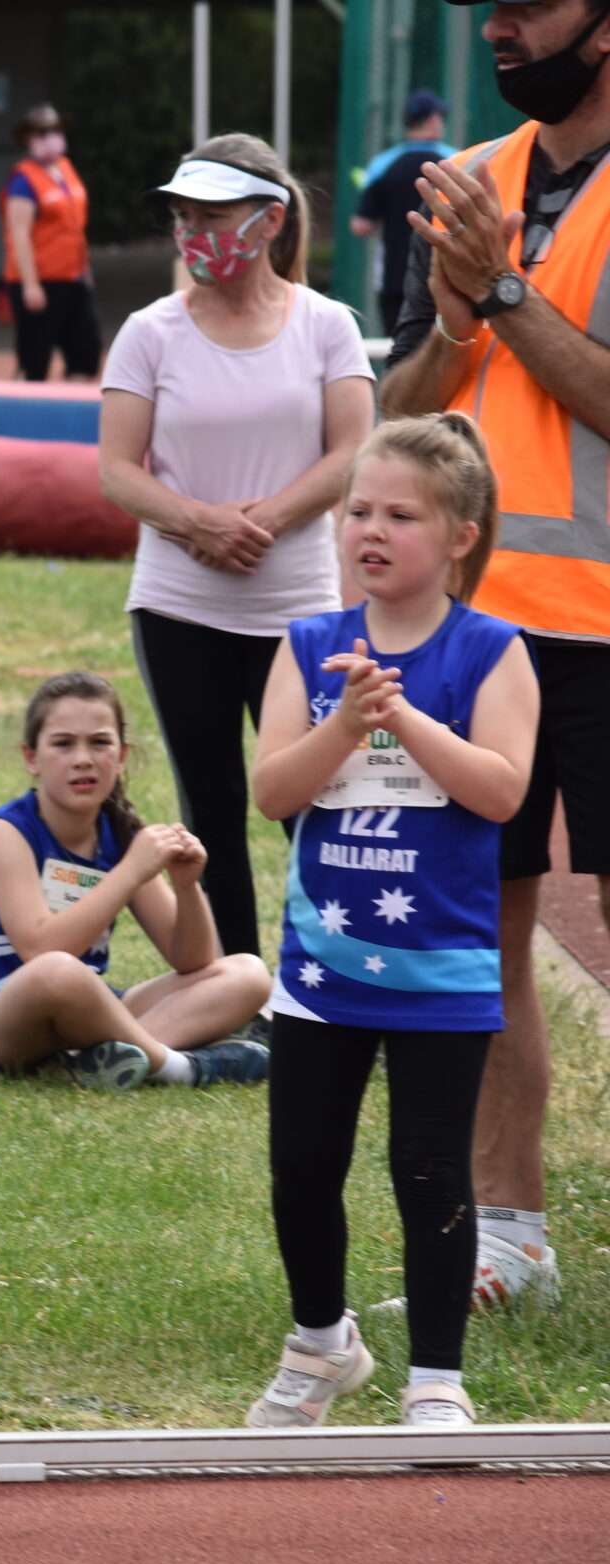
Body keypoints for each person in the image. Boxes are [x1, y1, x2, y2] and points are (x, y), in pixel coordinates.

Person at [379, 0, 610, 1311]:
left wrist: (507, 290)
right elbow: (402, 414)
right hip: (488, 631)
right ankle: (509, 1229)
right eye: (491, 12)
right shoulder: (467, 182)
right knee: (488, 936)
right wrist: (458, 320)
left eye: (530, 8)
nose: (503, 30)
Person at [245, 413, 536, 1429]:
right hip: (323, 972)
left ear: (458, 535)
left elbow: (501, 792)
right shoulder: (309, 647)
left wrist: (403, 716)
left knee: (427, 1168)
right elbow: (273, 792)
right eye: (356, 510)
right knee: (302, 1165)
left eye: (399, 515)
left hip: (441, 974)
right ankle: (320, 1343)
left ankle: (436, 1380)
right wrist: (342, 723)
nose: (369, 530)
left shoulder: (490, 652)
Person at [99, 134, 376, 962]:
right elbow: (117, 467)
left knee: (316, 794)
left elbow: (354, 449)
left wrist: (267, 520)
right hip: (179, 605)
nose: (194, 232)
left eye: (212, 214)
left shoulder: (328, 326)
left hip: (298, 607)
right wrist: (196, 522)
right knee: (210, 798)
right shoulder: (149, 333)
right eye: (184, 214)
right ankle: (234, 986)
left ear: (269, 220)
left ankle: (341, 966)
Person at [0, 673, 274, 1089]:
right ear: (32, 757)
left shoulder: (117, 835)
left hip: (82, 1010)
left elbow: (193, 961)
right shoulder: (5, 834)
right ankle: (181, 1067)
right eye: (63, 744)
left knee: (248, 973)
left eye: (99, 743)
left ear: (121, 756)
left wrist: (188, 885)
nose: (83, 759)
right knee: (57, 972)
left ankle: (101, 1060)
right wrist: (130, 871)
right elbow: (41, 949)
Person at [0, 103, 101, 382]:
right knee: (35, 357)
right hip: (39, 280)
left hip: (74, 277)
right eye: (42, 133)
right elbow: (18, 233)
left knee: (86, 350)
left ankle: (72, 407)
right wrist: (31, 285)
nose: (51, 137)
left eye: (54, 130)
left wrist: (85, 271)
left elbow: (75, 226)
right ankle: (24, 412)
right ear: (28, 139)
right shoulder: (23, 179)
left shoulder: (66, 169)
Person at [351, 90, 451, 336]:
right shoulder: (455, 160)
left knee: (400, 355)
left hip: (395, 279)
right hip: (445, 279)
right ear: (433, 120)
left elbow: (361, 225)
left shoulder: (382, 165)